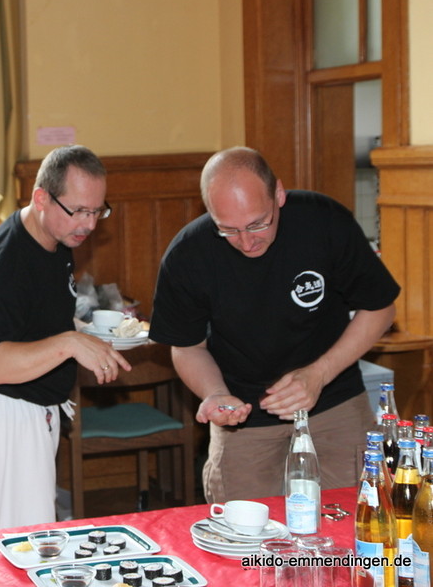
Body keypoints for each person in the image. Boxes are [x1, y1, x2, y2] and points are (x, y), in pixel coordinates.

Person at [149, 146, 400, 502]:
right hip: (243, 417)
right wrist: (215, 393)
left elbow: (381, 309)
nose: (246, 241)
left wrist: (318, 374)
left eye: (258, 224)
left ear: (278, 194)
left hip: (335, 402)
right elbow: (187, 347)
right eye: (228, 230)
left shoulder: (323, 221)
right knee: (242, 527)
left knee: (358, 515)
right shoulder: (188, 255)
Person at [0, 145, 132, 530]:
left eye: (97, 211)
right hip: (7, 412)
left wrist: (89, 334)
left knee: (36, 534)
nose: (89, 224)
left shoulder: (54, 238)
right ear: (41, 198)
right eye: (79, 210)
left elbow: (36, 317)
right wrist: (70, 343)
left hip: (32, 407)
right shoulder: (6, 265)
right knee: (20, 541)